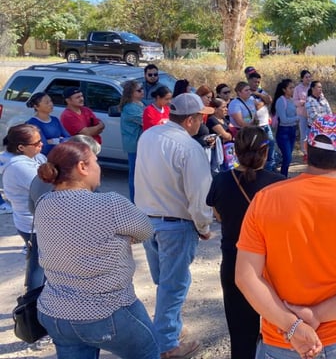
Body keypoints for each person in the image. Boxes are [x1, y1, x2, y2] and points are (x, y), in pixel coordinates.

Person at [235, 114, 336, 359]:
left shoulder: (265, 200)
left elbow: (246, 277)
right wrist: (316, 315)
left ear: (306, 148)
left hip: (282, 339)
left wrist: (292, 325)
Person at [34, 141, 159, 359]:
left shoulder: (44, 202)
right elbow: (146, 231)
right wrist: (121, 239)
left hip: (54, 313)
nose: (98, 167)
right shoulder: (111, 204)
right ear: (83, 167)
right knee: (148, 352)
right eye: (96, 161)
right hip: (107, 311)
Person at [134, 93, 215, 358]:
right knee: (173, 284)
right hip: (176, 224)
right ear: (191, 120)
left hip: (147, 219)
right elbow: (199, 193)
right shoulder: (189, 147)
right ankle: (167, 344)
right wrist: (203, 226)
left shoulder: (149, 136)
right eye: (201, 116)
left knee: (164, 280)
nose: (203, 120)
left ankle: (169, 328)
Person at [206, 127, 285, 359]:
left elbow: (218, 215)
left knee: (241, 334)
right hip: (273, 266)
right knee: (280, 328)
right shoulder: (279, 184)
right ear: (265, 150)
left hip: (234, 262)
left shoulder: (221, 180)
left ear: (235, 152)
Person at [1, 124, 47, 291]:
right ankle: (32, 304)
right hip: (32, 224)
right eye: (36, 143)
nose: (41, 145)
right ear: (21, 147)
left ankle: (34, 298)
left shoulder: (33, 158)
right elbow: (48, 187)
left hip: (33, 221)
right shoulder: (18, 167)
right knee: (40, 266)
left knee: (37, 262)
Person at [120, 80, 145, 202]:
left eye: (142, 89)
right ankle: (134, 201)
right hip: (134, 144)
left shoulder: (139, 104)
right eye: (139, 90)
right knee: (135, 175)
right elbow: (146, 121)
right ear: (131, 93)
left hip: (140, 143)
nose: (142, 92)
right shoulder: (130, 107)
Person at [271, 79, 298, 177]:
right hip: (284, 131)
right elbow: (284, 119)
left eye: (293, 87)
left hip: (292, 130)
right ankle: (282, 177)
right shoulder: (280, 101)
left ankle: (283, 176)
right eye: (290, 88)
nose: (293, 90)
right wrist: (298, 117)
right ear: (284, 89)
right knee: (287, 157)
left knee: (288, 157)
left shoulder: (291, 100)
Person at [293, 70, 313, 162]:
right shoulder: (297, 88)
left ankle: (313, 152)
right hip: (302, 114)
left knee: (312, 134)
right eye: (306, 77)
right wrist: (303, 102)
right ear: (302, 78)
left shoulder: (313, 86)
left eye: (309, 77)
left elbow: (320, 96)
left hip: (313, 115)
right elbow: (295, 101)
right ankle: (305, 153)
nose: (308, 79)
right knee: (304, 135)